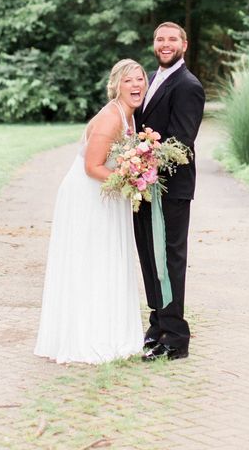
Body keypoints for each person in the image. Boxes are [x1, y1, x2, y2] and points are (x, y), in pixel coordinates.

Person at [35, 59, 147, 364]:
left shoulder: (130, 116)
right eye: (129, 81)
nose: (136, 85)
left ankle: (109, 330)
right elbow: (91, 166)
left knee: (107, 258)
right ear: (116, 86)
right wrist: (130, 180)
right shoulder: (112, 118)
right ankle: (86, 336)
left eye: (140, 79)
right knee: (91, 260)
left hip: (107, 194)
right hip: (88, 196)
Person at [134, 22, 205, 361]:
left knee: (170, 259)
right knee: (149, 256)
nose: (165, 44)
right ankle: (157, 323)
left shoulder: (188, 85)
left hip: (170, 188)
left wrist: (140, 160)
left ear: (184, 45)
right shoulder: (150, 79)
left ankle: (176, 337)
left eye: (172, 39)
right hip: (144, 186)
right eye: (160, 39)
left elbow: (180, 142)